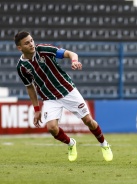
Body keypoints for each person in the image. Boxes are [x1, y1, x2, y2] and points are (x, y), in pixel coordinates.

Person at [14, 31, 113, 162]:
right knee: (52, 128)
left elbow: (70, 53)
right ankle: (71, 144)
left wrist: (74, 61)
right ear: (19, 48)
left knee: (89, 121)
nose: (31, 44)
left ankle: (104, 144)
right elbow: (29, 87)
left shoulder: (43, 49)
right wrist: (36, 110)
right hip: (49, 98)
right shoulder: (21, 67)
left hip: (68, 91)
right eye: (27, 43)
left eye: (31, 40)